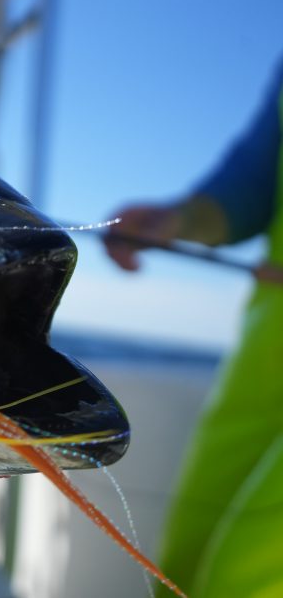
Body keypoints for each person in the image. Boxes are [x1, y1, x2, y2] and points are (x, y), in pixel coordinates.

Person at [103, 57, 283, 598]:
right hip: (265, 351)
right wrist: (178, 220)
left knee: (242, 578)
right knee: (181, 562)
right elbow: (255, 177)